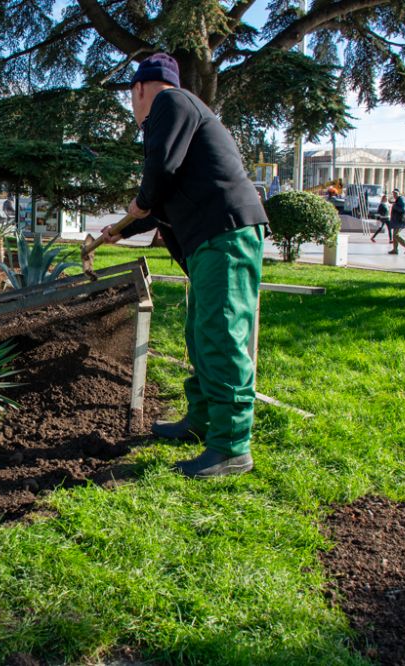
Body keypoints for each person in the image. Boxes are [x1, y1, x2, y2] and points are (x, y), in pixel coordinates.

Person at [98, 53, 267, 478]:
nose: (136, 113)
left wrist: (140, 201)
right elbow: (168, 194)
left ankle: (231, 447)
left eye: (133, 100)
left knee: (221, 333)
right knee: (200, 332)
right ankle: (204, 421)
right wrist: (122, 230)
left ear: (139, 89)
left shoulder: (171, 103)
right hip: (211, 238)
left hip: (225, 234)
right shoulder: (183, 114)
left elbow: (160, 173)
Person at [388, 188, 405, 254]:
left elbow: (402, 209)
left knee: (396, 235)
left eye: (395, 193)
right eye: (393, 193)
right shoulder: (399, 199)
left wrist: (394, 205)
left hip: (400, 220)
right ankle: (395, 249)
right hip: (397, 220)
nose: (394, 195)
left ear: (399, 193)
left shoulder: (401, 199)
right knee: (394, 235)